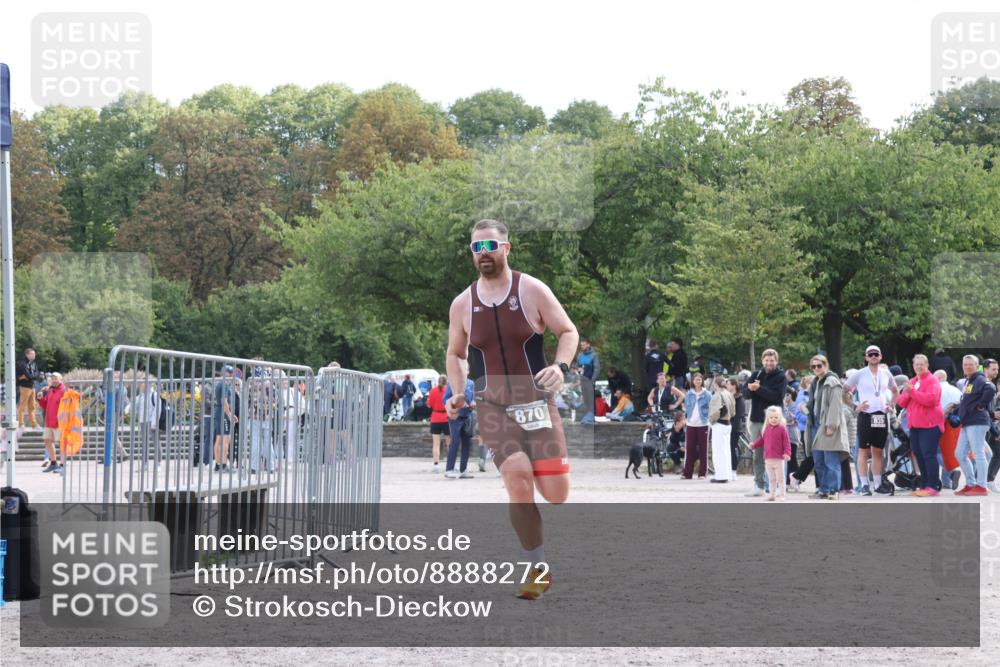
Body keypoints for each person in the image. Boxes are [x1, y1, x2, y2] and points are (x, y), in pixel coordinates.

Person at [445, 219, 577, 600]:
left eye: (489, 245)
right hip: (493, 407)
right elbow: (455, 354)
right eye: (475, 247)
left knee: (556, 494)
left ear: (506, 248)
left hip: (537, 403)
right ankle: (537, 569)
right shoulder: (463, 304)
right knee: (518, 480)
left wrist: (560, 366)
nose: (483, 253)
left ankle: (542, 463)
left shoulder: (531, 289)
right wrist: (457, 391)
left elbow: (567, 331)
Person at [842, 345, 899, 496]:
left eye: (876, 354)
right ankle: (865, 485)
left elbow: (895, 391)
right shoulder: (860, 374)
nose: (873, 356)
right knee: (863, 450)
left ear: (880, 357)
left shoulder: (886, 373)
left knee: (878, 451)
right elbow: (843, 390)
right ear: (866, 357)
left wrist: (891, 405)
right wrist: (855, 405)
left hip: (881, 415)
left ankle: (878, 484)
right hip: (866, 415)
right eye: (870, 354)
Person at [897, 354, 944, 496]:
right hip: (915, 426)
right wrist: (908, 393)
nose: (918, 367)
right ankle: (924, 484)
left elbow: (931, 400)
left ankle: (933, 486)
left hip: (930, 425)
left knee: (929, 455)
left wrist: (912, 392)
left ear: (927, 365)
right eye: (916, 364)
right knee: (918, 454)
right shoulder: (912, 381)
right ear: (913, 366)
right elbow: (901, 402)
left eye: (921, 364)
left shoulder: (932, 380)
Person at [743, 349, 787, 497]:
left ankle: (778, 485)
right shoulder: (756, 374)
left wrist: (759, 389)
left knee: (776, 455)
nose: (769, 363)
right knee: (758, 454)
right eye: (766, 360)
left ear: (776, 361)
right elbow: (745, 394)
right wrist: (750, 389)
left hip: (773, 422)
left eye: (772, 360)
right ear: (762, 361)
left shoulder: (781, 376)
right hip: (757, 419)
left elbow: (776, 397)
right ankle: (759, 485)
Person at [804, 355, 849, 500]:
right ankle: (822, 489)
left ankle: (834, 490)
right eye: (813, 366)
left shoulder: (832, 381)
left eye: (819, 365)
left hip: (827, 424)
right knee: (818, 460)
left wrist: (831, 425)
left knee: (831, 460)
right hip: (815, 424)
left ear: (826, 365)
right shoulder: (815, 382)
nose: (816, 368)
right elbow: (814, 404)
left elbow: (836, 405)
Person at [953, 354, 995, 496]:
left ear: (977, 366)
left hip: (977, 422)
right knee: (959, 454)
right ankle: (971, 484)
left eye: (971, 364)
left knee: (978, 454)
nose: (968, 367)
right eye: (965, 364)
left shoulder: (980, 378)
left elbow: (991, 389)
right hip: (968, 422)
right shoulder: (969, 381)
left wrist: (981, 405)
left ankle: (981, 486)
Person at [670, 373, 711, 479]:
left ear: (702, 381)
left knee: (703, 449)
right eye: (696, 380)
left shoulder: (707, 394)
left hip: (703, 424)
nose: (698, 382)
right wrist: (686, 420)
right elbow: (687, 408)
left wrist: (708, 418)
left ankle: (702, 473)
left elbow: (711, 407)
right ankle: (687, 473)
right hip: (691, 424)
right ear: (692, 381)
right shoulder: (689, 394)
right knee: (689, 449)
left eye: (700, 380)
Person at [750, 405, 792, 501]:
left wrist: (787, 453)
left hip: (779, 459)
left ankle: (782, 495)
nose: (773, 419)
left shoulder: (782, 429)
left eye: (776, 417)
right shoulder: (766, 429)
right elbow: (761, 440)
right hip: (768, 459)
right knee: (771, 479)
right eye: (771, 417)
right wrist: (754, 445)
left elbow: (787, 442)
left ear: (780, 417)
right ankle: (771, 495)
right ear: (767, 418)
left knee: (780, 479)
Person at [443, 378, 476, 479]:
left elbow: (473, 397)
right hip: (455, 418)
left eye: (466, 368)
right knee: (455, 442)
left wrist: (473, 402)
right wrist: (457, 403)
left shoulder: (471, 383)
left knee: (467, 443)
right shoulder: (453, 382)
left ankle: (463, 470)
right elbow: (444, 399)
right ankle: (449, 470)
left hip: (467, 416)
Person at [936, 369, 963, 491]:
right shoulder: (956, 390)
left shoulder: (936, 389)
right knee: (948, 451)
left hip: (940, 422)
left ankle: (952, 472)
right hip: (955, 424)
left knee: (936, 452)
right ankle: (946, 481)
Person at [36, 372, 67, 473]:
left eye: (56, 378)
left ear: (60, 379)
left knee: (62, 443)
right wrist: (40, 399)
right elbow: (45, 405)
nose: (54, 380)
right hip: (49, 421)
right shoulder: (50, 390)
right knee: (47, 440)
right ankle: (53, 463)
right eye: (52, 378)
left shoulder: (64, 390)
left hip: (59, 422)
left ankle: (63, 465)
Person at [708, 376, 735, 483]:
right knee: (726, 451)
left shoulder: (717, 395)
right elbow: (733, 412)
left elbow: (715, 413)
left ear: (716, 384)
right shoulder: (729, 393)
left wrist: (711, 421)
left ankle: (720, 476)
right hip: (728, 424)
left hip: (719, 424)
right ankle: (727, 474)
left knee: (718, 452)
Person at [212, 365, 238, 473]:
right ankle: (223, 465)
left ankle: (218, 465)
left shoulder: (221, 384)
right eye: (230, 373)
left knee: (219, 439)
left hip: (219, 412)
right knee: (225, 439)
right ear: (225, 373)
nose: (232, 375)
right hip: (223, 413)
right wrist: (230, 415)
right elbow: (224, 401)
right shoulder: (224, 384)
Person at [426, 375, 448, 473]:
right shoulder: (448, 390)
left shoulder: (433, 391)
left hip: (435, 418)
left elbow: (429, 404)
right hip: (447, 418)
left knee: (436, 444)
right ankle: (451, 464)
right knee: (450, 443)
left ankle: (436, 465)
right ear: (446, 381)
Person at [15, 348, 41, 428]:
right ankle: (21, 423)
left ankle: (34, 424)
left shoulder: (33, 363)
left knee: (32, 406)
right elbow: (29, 375)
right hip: (25, 386)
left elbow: (37, 374)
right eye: (32, 354)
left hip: (32, 386)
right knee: (22, 406)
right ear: (27, 354)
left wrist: (30, 376)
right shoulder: (22, 363)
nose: (34, 355)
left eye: (34, 354)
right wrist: (30, 376)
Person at [726, 377, 744, 481]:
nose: (726, 386)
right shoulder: (728, 397)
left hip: (734, 428)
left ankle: (733, 471)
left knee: (732, 449)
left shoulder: (739, 398)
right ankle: (728, 469)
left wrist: (732, 426)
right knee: (727, 449)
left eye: (728, 384)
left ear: (734, 385)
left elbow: (738, 416)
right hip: (727, 426)